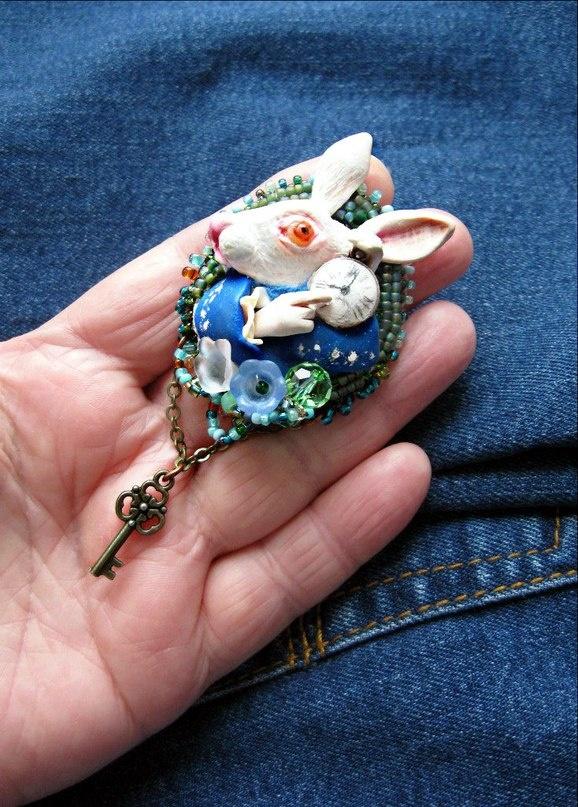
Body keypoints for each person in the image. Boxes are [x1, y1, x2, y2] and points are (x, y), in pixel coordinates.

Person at [0, 153, 474, 804]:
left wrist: (305, 322)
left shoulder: (348, 311)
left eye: (299, 233)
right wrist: (256, 322)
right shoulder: (227, 295)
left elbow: (353, 349)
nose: (224, 230)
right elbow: (215, 312)